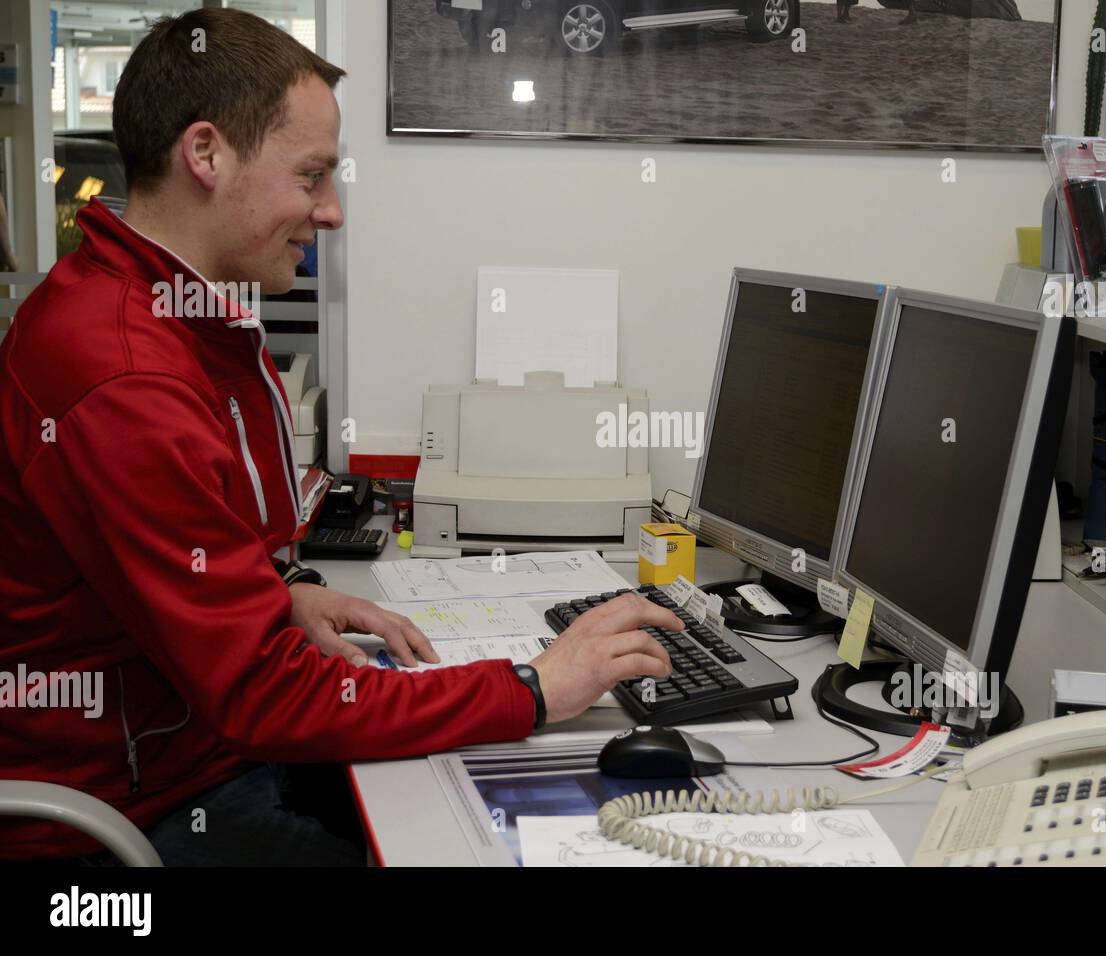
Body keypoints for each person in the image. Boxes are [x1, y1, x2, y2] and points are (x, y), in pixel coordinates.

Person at [0, 8, 674, 865]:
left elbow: (146, 572)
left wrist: (273, 598)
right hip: (126, 812)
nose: (330, 212)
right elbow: (260, 693)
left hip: (193, 745)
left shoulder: (164, 311)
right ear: (205, 155)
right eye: (313, 175)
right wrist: (537, 687)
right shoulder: (123, 372)